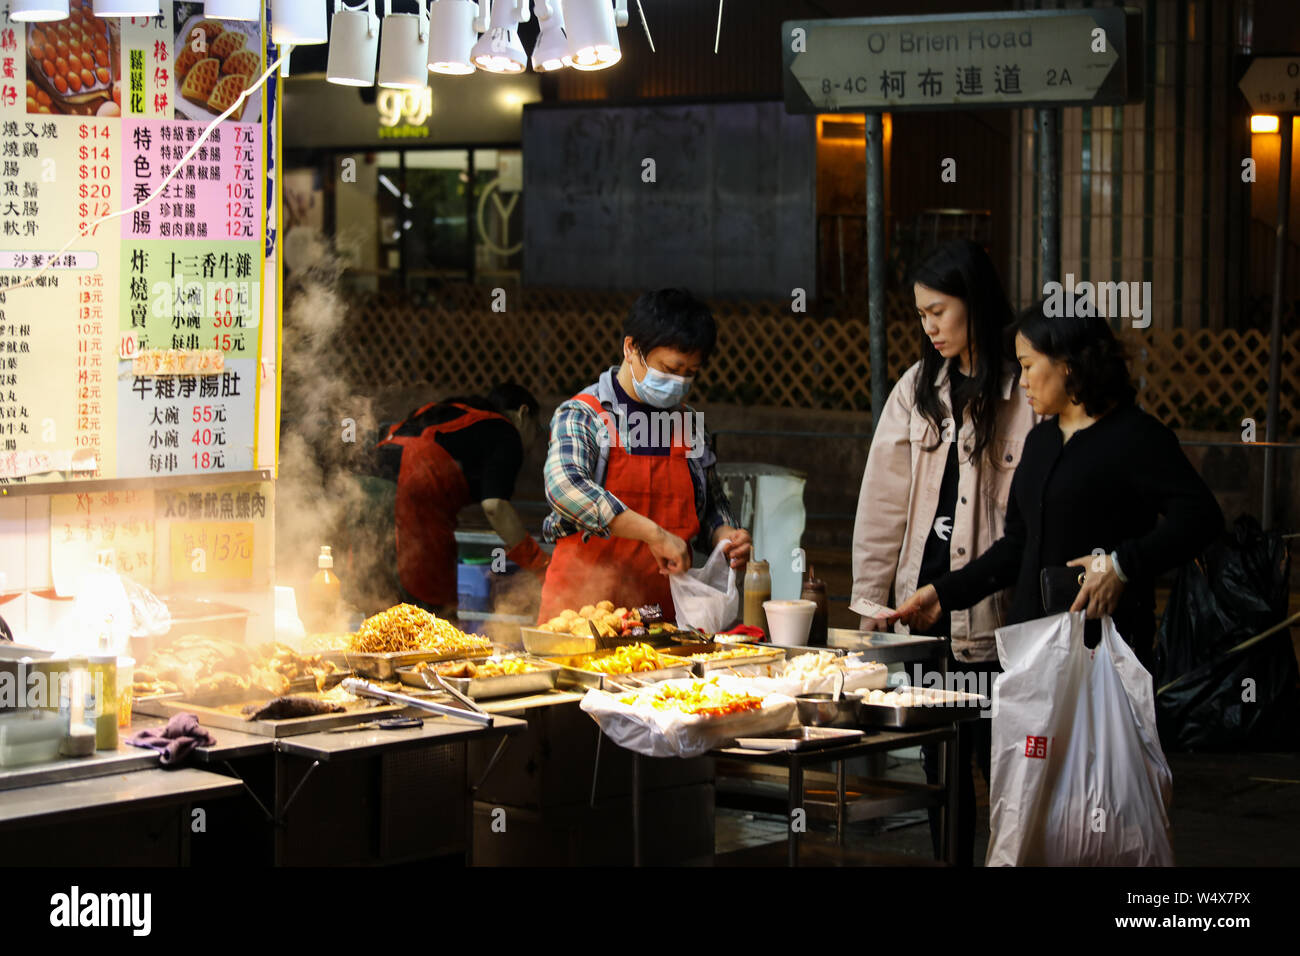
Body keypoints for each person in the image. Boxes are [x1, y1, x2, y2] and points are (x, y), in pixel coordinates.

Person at [893, 299, 1225, 677]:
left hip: (1105, 661)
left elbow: (1202, 517)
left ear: (1068, 364)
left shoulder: (1137, 437)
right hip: (1031, 656)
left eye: (1029, 365)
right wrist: (944, 593)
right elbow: (1018, 544)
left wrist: (1121, 565)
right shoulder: (1041, 441)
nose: (1022, 380)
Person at [851, 238, 1038, 866]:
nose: (929, 327)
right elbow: (883, 499)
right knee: (942, 771)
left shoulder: (1023, 387)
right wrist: (873, 603)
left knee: (1010, 772)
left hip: (997, 617)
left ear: (974, 301)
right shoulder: (919, 386)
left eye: (939, 311)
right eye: (921, 315)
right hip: (924, 611)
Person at [538, 288, 751, 622]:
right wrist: (656, 535)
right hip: (581, 616)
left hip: (665, 620)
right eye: (670, 368)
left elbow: (711, 505)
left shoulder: (689, 426)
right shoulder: (584, 415)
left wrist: (726, 535)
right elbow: (566, 489)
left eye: (690, 373)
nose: (679, 382)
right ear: (631, 348)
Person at [374, 382, 548, 615]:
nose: (532, 443)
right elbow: (495, 506)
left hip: (367, 488)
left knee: (377, 601)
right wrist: (539, 565)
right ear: (523, 414)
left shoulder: (456, 413)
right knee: (431, 620)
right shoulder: (506, 431)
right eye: (536, 430)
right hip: (410, 503)